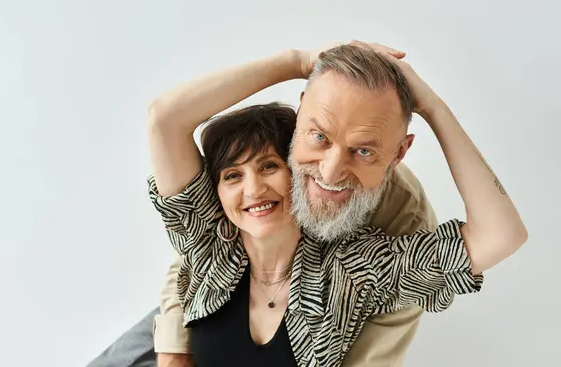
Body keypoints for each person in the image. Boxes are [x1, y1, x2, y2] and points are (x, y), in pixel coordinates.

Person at [88, 42, 527, 367]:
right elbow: (164, 119)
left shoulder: (357, 266)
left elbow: (500, 235)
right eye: (233, 176)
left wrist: (430, 105)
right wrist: (298, 61)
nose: (331, 172)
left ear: (397, 153)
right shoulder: (212, 239)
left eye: (267, 168)